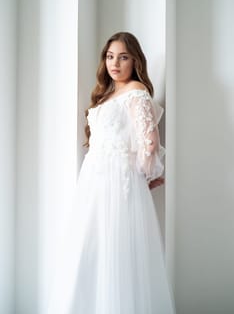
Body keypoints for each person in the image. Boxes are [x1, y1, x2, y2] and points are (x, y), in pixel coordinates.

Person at [47, 32, 176, 313]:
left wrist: (142, 175)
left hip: (118, 179)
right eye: (110, 56)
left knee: (115, 249)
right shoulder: (107, 94)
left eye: (123, 57)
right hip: (94, 178)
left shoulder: (136, 91)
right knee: (91, 246)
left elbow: (149, 141)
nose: (115, 63)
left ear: (136, 61)